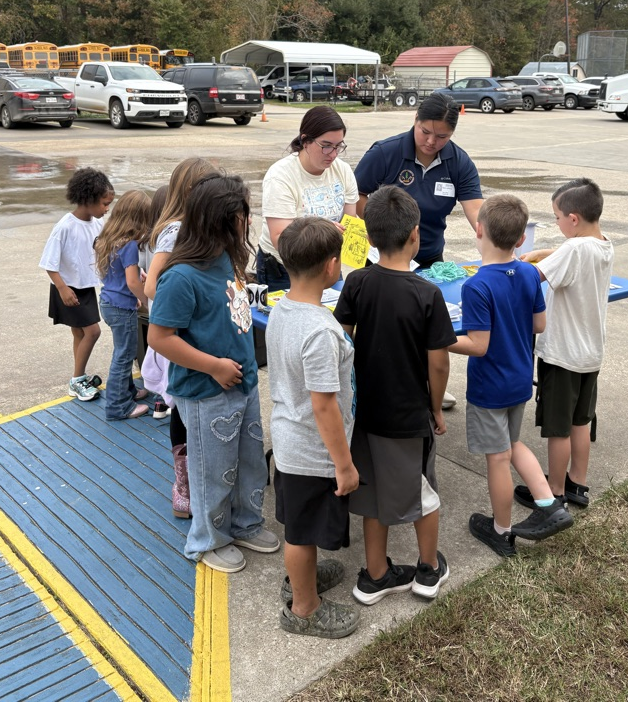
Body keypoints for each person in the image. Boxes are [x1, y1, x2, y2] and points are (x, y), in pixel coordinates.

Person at [148, 173, 279, 572]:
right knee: (213, 471)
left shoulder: (226, 258)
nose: (249, 221)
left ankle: (245, 523)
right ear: (222, 220)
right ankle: (208, 539)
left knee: (249, 462)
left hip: (242, 383)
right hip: (206, 391)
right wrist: (214, 366)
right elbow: (159, 337)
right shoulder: (180, 276)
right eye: (243, 214)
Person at [334, 186, 456, 603]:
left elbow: (343, 341)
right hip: (407, 415)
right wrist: (435, 407)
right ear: (416, 235)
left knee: (371, 494)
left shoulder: (356, 282)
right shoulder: (427, 293)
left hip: (365, 412)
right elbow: (439, 364)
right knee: (424, 494)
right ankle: (428, 569)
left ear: (369, 237)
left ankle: (375, 574)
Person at [448, 194, 573, 558]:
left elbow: (478, 345)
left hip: (490, 386)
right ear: (521, 239)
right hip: (519, 378)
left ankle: (501, 531)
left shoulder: (477, 285)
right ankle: (548, 502)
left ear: (479, 230)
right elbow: (539, 323)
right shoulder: (529, 273)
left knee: (498, 457)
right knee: (512, 444)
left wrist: (438, 339)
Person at [354, 93, 483, 410]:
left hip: (428, 260)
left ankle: (429, 385)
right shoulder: (385, 153)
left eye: (442, 136)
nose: (431, 141)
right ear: (415, 121)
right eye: (425, 131)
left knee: (428, 324)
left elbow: (476, 210)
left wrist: (496, 238)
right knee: (383, 326)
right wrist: (386, 226)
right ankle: (376, 386)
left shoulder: (458, 162)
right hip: (384, 258)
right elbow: (356, 196)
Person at [267, 216, 359, 639]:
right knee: (301, 534)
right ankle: (304, 608)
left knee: (299, 526)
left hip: (290, 439)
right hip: (311, 450)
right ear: (331, 266)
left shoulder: (282, 308)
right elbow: (324, 406)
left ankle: (303, 579)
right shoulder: (321, 331)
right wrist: (344, 464)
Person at [515, 178, 614, 510]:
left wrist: (508, 266)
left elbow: (534, 277)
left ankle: (554, 491)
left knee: (557, 429)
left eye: (557, 217)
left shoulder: (573, 250)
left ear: (573, 219)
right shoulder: (603, 244)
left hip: (563, 355)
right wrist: (541, 253)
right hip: (590, 354)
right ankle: (577, 484)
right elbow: (569, 253)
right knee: (580, 422)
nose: (556, 223)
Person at [144, 157, 217, 517]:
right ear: (192, 191)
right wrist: (189, 298)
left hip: (190, 334)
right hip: (178, 335)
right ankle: (183, 486)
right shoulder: (177, 230)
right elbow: (151, 285)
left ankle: (195, 482)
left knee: (187, 407)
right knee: (181, 408)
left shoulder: (198, 226)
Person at [256, 105, 359, 293]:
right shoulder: (280, 176)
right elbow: (279, 237)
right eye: (326, 146)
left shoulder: (343, 171)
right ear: (305, 140)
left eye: (338, 146)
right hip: (286, 268)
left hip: (326, 263)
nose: (333, 154)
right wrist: (321, 233)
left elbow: (349, 221)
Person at [40, 167, 115, 402]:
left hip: (85, 287)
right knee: (93, 332)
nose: (107, 209)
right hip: (68, 289)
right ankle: (76, 380)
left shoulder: (97, 224)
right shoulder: (65, 226)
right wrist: (62, 288)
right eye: (104, 203)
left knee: (80, 334)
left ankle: (79, 376)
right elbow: (49, 263)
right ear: (88, 199)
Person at [94, 190, 152, 421]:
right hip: (122, 309)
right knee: (124, 356)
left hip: (108, 302)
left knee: (122, 351)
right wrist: (147, 300)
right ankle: (118, 406)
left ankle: (128, 391)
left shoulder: (108, 239)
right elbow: (132, 282)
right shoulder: (130, 245)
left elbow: (114, 274)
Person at [137, 184, 170, 420]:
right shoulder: (171, 238)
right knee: (170, 355)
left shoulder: (147, 239)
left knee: (157, 352)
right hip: (165, 301)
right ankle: (167, 398)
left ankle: (159, 400)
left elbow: (139, 267)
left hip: (153, 304)